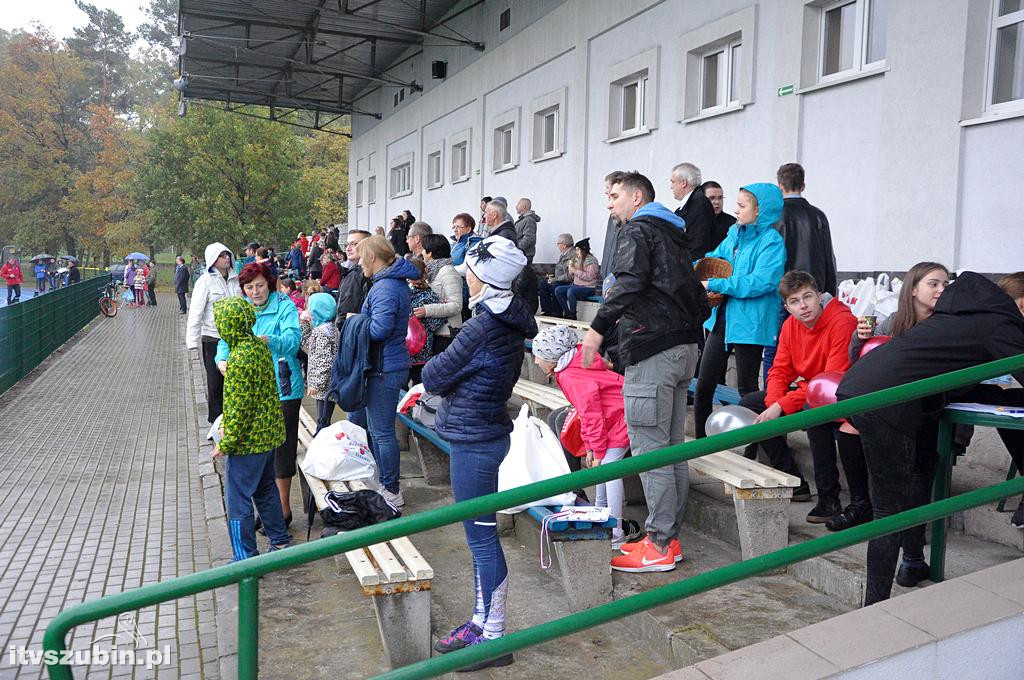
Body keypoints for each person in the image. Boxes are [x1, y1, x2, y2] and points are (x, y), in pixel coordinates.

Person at [838, 271, 1024, 606]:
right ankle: (872, 607)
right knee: (889, 511)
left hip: (870, 388)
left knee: (924, 464)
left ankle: (912, 561)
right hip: (886, 401)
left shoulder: (963, 313)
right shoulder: (999, 323)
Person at [580, 171, 710, 573]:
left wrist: (596, 331)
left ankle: (657, 544)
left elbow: (629, 284)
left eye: (614, 195)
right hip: (684, 348)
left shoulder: (637, 231)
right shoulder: (673, 233)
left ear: (638, 197)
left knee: (653, 453)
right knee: (672, 449)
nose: (609, 203)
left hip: (653, 348)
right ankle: (668, 539)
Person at [423, 236, 537, 668]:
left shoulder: (482, 326)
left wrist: (440, 379)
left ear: (484, 277)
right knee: (478, 539)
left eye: (470, 270)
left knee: (482, 541)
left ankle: (492, 637)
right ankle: (479, 623)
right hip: (484, 430)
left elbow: (435, 373)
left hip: (476, 440)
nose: (466, 276)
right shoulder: (503, 317)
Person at [739, 270, 866, 519]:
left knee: (814, 412)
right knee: (752, 403)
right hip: (810, 390)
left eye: (807, 297)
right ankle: (794, 482)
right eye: (795, 301)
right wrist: (774, 403)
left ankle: (829, 498)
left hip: (840, 394)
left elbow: (830, 382)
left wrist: (781, 406)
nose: (803, 306)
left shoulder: (842, 322)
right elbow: (779, 370)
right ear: (786, 306)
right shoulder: (790, 326)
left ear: (819, 296)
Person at [533, 325, 640, 549]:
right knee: (601, 468)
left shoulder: (572, 375)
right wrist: (592, 448)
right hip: (616, 416)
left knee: (609, 468)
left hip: (623, 416)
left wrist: (597, 450)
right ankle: (602, 518)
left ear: (553, 356)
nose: (535, 362)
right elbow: (589, 413)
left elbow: (591, 414)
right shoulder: (574, 363)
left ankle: (617, 531)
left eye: (539, 356)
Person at [693, 184, 787, 439]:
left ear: (760, 211)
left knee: (747, 391)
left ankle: (751, 448)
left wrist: (715, 284)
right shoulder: (734, 233)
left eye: (742, 206)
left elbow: (760, 282)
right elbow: (714, 258)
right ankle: (702, 445)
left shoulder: (772, 242)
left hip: (750, 324)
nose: (735, 210)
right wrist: (690, 269)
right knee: (703, 386)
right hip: (721, 320)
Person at [216, 262, 304, 526]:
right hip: (253, 390)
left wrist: (270, 340)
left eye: (260, 286)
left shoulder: (285, 306)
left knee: (282, 451)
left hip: (283, 387)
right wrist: (221, 360)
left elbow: (293, 341)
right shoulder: (242, 308)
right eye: (249, 287)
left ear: (271, 284)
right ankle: (267, 510)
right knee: (256, 450)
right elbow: (224, 340)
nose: (255, 292)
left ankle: (283, 510)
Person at [210, 296, 290, 559]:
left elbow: (238, 408)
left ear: (227, 327)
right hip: (268, 436)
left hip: (248, 443)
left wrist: (226, 442)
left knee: (238, 500)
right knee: (265, 489)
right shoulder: (257, 347)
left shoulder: (238, 359)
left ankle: (244, 557)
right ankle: (279, 540)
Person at [349, 236, 418, 507]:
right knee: (378, 431)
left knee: (382, 432)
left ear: (373, 258)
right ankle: (385, 483)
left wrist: (357, 320)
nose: (357, 260)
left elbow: (380, 329)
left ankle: (391, 488)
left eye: (361, 255)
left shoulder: (386, 287)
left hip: (385, 368)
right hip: (385, 365)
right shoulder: (387, 283)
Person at [186, 243, 241, 423]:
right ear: (213, 259)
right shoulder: (205, 281)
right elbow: (196, 312)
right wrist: (192, 343)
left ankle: (232, 421)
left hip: (235, 338)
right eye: (222, 255)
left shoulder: (236, 279)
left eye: (227, 254)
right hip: (212, 337)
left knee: (233, 381)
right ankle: (216, 422)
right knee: (215, 382)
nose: (226, 258)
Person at [300, 292, 339, 433]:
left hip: (324, 386)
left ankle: (320, 441)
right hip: (325, 385)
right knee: (322, 418)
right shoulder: (328, 329)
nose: (307, 310)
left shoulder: (322, 332)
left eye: (309, 308)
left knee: (323, 420)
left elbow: (324, 361)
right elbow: (308, 344)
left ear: (318, 310)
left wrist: (316, 384)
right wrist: (304, 323)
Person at [417, 234, 463, 354]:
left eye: (423, 249)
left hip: (446, 334)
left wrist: (427, 310)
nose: (421, 252)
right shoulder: (430, 271)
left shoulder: (448, 272)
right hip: (432, 332)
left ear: (430, 253)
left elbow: (456, 305)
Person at [407, 259, 445, 385]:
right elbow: (435, 325)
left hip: (402, 348)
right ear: (425, 274)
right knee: (419, 385)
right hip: (421, 349)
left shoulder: (402, 292)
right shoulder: (430, 296)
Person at [670, 162, 718, 259]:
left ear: (684, 183)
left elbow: (698, 245)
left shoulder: (700, 205)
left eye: (673, 182)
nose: (671, 187)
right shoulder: (694, 203)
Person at [554, 238, 600, 320]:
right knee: (558, 290)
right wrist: (571, 273)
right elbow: (575, 276)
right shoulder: (577, 260)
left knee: (571, 291)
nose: (576, 252)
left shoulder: (592, 261)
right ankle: (567, 312)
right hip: (576, 286)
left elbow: (590, 277)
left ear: (583, 250)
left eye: (578, 250)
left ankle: (573, 314)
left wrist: (575, 271)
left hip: (588, 288)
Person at [336, 230, 372, 318]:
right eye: (347, 244)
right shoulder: (360, 272)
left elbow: (345, 313)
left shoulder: (356, 275)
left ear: (367, 246)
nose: (348, 248)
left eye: (354, 244)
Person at [539, 233, 575, 317]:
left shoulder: (573, 256)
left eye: (558, 243)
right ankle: (546, 310)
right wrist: (553, 277)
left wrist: (555, 279)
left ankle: (556, 312)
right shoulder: (563, 255)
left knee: (555, 285)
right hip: (559, 279)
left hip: (567, 282)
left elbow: (569, 275)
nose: (557, 245)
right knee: (543, 283)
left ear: (564, 245)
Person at [699, 180, 735, 251]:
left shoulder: (732, 224)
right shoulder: (694, 220)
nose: (717, 202)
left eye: (720, 198)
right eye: (712, 198)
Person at [513, 198, 540, 265]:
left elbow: (529, 238)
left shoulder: (529, 220)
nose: (516, 206)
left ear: (524, 207)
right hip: (520, 254)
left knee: (523, 275)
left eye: (518, 204)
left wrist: (516, 249)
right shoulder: (523, 219)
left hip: (524, 255)